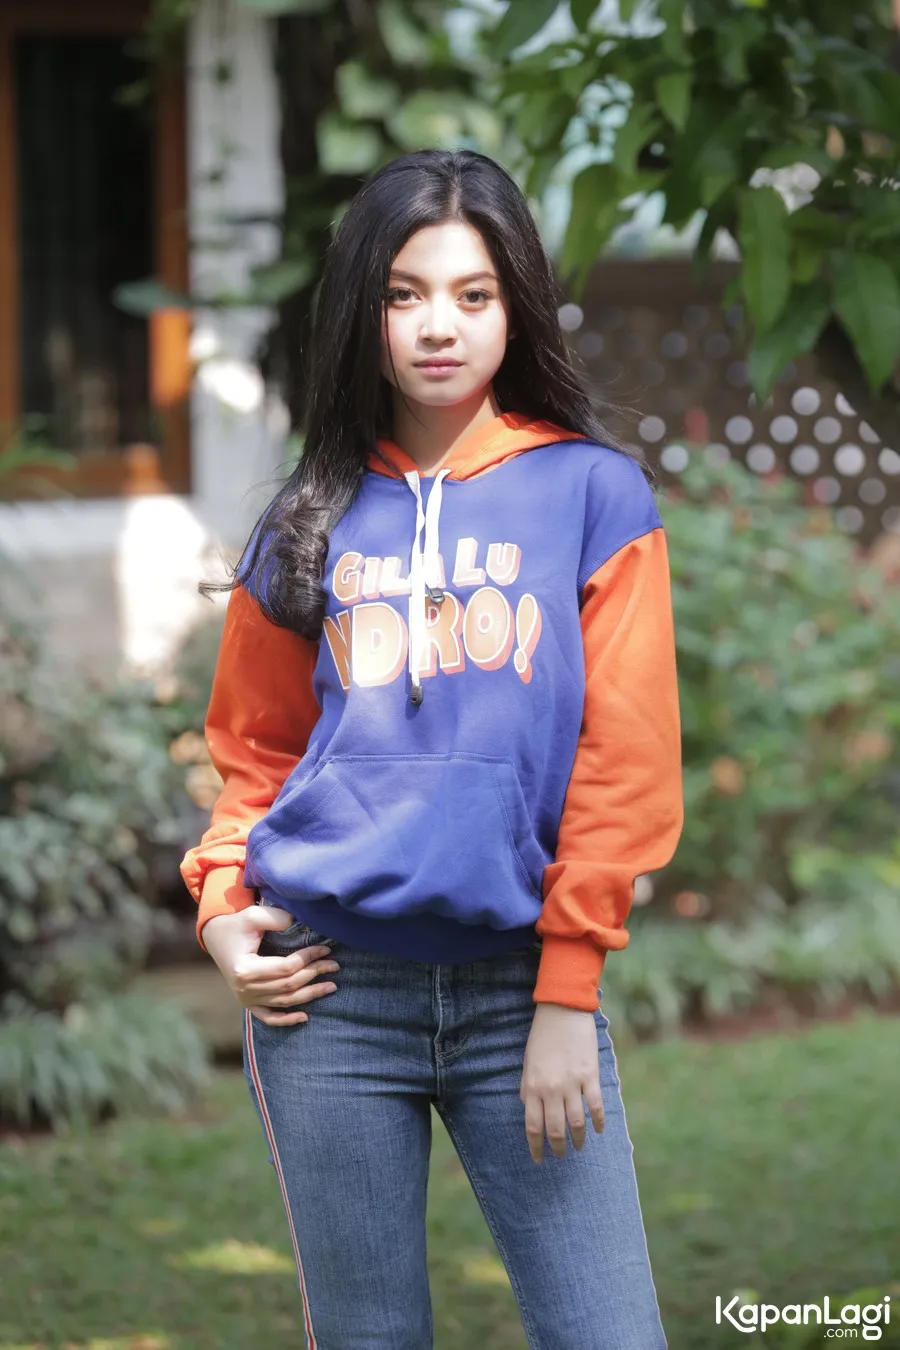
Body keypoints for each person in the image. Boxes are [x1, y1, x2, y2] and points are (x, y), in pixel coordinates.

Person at [180, 147, 683, 1350]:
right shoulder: (306, 517)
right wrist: (222, 910)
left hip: (524, 993)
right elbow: (255, 754)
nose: (438, 326)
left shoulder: (593, 496)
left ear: (517, 304)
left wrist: (567, 992)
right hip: (327, 997)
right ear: (364, 309)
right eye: (404, 294)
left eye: (472, 293)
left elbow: (625, 763)